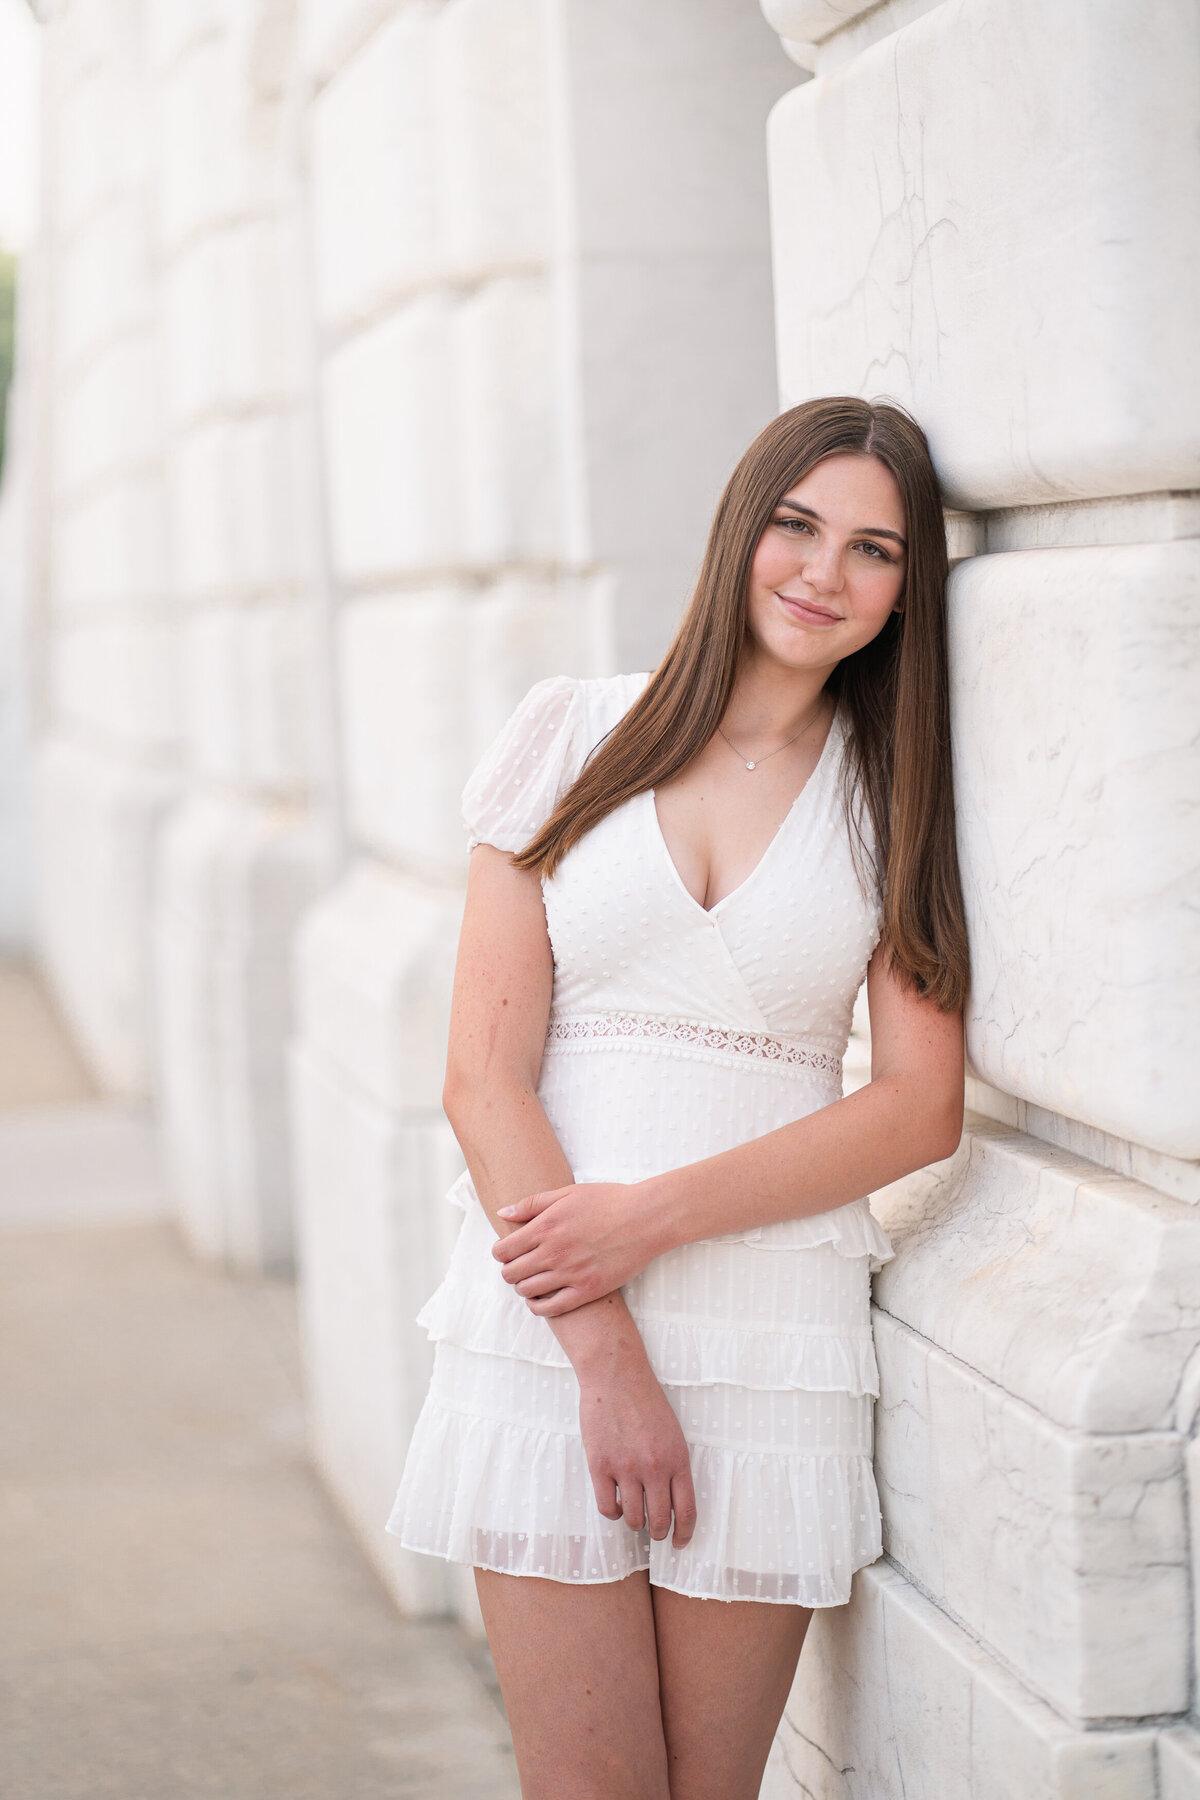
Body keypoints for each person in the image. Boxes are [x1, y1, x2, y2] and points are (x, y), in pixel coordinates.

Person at [387, 396, 967, 1800]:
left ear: (907, 592)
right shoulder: (572, 732)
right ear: (740, 529)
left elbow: (916, 1108)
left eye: (875, 550)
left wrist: (647, 1219)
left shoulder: (895, 796)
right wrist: (607, 1355)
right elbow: (481, 1072)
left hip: (772, 1338)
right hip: (549, 1328)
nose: (825, 573)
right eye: (798, 525)